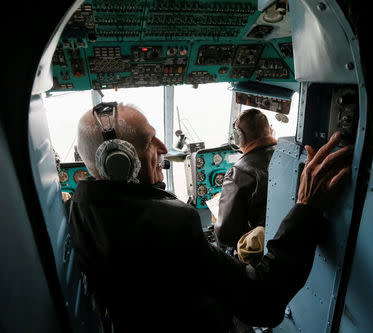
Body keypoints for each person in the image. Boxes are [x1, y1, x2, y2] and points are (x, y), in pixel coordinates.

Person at [70, 103, 352, 333]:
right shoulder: (172, 224)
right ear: (119, 164)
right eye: (148, 142)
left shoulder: (79, 209)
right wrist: (306, 207)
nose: (163, 148)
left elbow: (225, 234)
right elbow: (262, 300)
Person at [214, 108, 277, 251]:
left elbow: (226, 234)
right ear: (270, 131)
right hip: (281, 242)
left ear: (239, 137)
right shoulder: (285, 158)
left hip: (256, 250)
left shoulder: (238, 173)